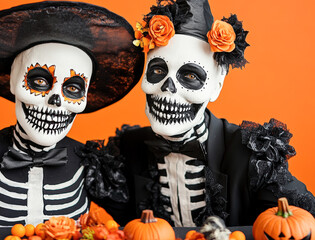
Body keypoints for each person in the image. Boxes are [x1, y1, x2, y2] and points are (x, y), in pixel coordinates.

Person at [0, 1, 144, 232]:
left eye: (72, 89)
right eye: (40, 81)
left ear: (85, 96)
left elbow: (130, 228)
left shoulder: (90, 164)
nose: (55, 100)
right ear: (14, 81)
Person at [106, 0, 315, 227]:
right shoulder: (127, 149)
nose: (168, 88)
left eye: (191, 76)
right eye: (157, 70)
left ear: (217, 85)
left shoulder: (252, 156)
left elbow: (297, 223)